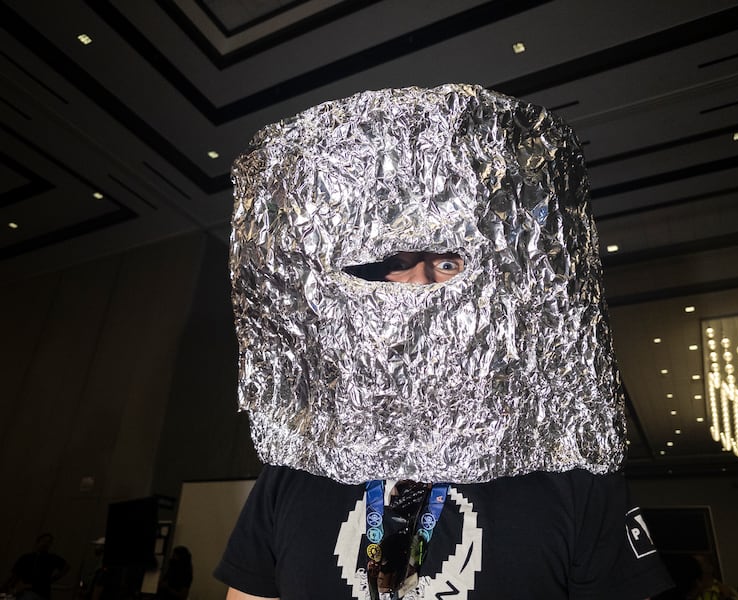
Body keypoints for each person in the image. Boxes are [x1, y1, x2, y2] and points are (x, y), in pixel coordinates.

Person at [215, 84, 673, 599]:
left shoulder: (569, 471)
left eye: (447, 262)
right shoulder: (298, 468)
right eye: (392, 265)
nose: (418, 289)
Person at [4, 533, 70, 600]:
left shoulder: (51, 558)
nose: (46, 544)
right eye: (44, 541)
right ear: (38, 542)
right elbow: (15, 575)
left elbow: (66, 567)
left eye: (49, 542)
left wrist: (54, 578)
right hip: (26, 591)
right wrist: (8, 588)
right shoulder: (26, 558)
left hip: (41, 593)